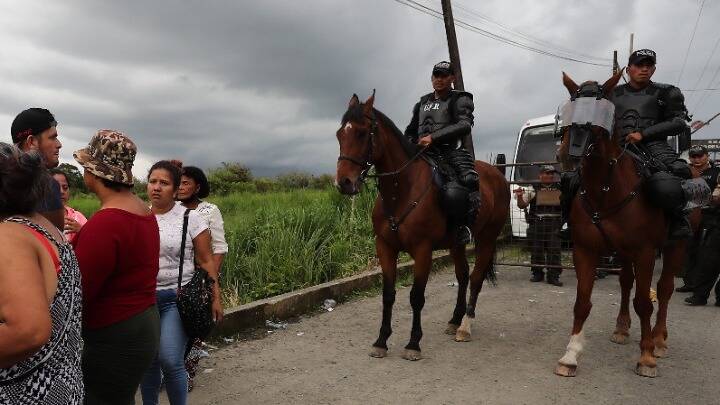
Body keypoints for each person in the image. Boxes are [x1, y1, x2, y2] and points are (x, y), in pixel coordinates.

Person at [560, 49, 693, 240]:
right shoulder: (611, 94)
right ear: (629, 69)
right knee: (571, 178)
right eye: (639, 65)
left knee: (678, 173)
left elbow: (679, 122)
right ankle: (568, 221)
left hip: (654, 146)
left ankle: (679, 220)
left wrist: (643, 134)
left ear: (654, 69)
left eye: (649, 66)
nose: (644, 69)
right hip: (618, 145)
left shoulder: (667, 92)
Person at [71, 130, 161, 404]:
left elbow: (79, 291)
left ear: (95, 173)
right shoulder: (143, 212)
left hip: (115, 332)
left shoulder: (106, 223)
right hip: (142, 322)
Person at [0, 143, 83, 404]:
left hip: (26, 393)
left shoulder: (10, 236)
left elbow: (28, 332)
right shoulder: (43, 224)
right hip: (62, 387)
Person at [141, 160, 223, 405]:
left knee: (169, 358)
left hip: (177, 299)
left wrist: (215, 298)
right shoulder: (140, 217)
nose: (156, 187)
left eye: (164, 183)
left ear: (176, 189)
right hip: (145, 301)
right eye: (152, 181)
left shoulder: (191, 218)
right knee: (150, 362)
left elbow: (207, 262)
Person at [404, 61, 479, 244]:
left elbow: (464, 124)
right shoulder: (422, 103)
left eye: (444, 76)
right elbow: (411, 130)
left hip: (449, 152)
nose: (439, 79)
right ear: (431, 78)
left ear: (452, 78)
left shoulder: (460, 99)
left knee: (468, 180)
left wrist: (433, 138)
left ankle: (464, 226)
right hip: (421, 153)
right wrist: (408, 143)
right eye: (436, 75)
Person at [177, 165, 228, 391]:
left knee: (197, 325)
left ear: (198, 186)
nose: (180, 187)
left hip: (201, 278)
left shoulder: (209, 210)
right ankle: (170, 367)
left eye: (185, 183)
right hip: (174, 278)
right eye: (177, 182)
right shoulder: (169, 208)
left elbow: (219, 248)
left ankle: (188, 370)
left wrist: (208, 280)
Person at [11, 108, 65, 230]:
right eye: (52, 137)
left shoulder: (5, 179)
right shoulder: (46, 185)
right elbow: (55, 240)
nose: (59, 144)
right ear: (31, 142)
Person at [677, 145, 720, 292]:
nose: (696, 159)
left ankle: (698, 285)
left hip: (710, 217)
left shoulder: (716, 172)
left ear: (707, 156)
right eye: (693, 156)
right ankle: (689, 283)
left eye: (700, 156)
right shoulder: (685, 171)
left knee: (704, 252)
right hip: (689, 215)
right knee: (689, 249)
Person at [515, 165, 564, 286]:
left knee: (555, 251)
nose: (550, 176)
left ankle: (554, 276)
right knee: (537, 250)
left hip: (554, 224)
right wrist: (520, 196)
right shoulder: (532, 188)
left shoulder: (560, 188)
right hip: (537, 223)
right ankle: (537, 273)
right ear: (540, 175)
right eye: (547, 173)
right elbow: (522, 205)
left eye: (551, 174)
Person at [50, 169, 88, 243]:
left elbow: (91, 242)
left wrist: (81, 231)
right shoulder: (38, 219)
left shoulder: (77, 218)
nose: (61, 192)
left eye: (65, 187)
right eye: (55, 187)